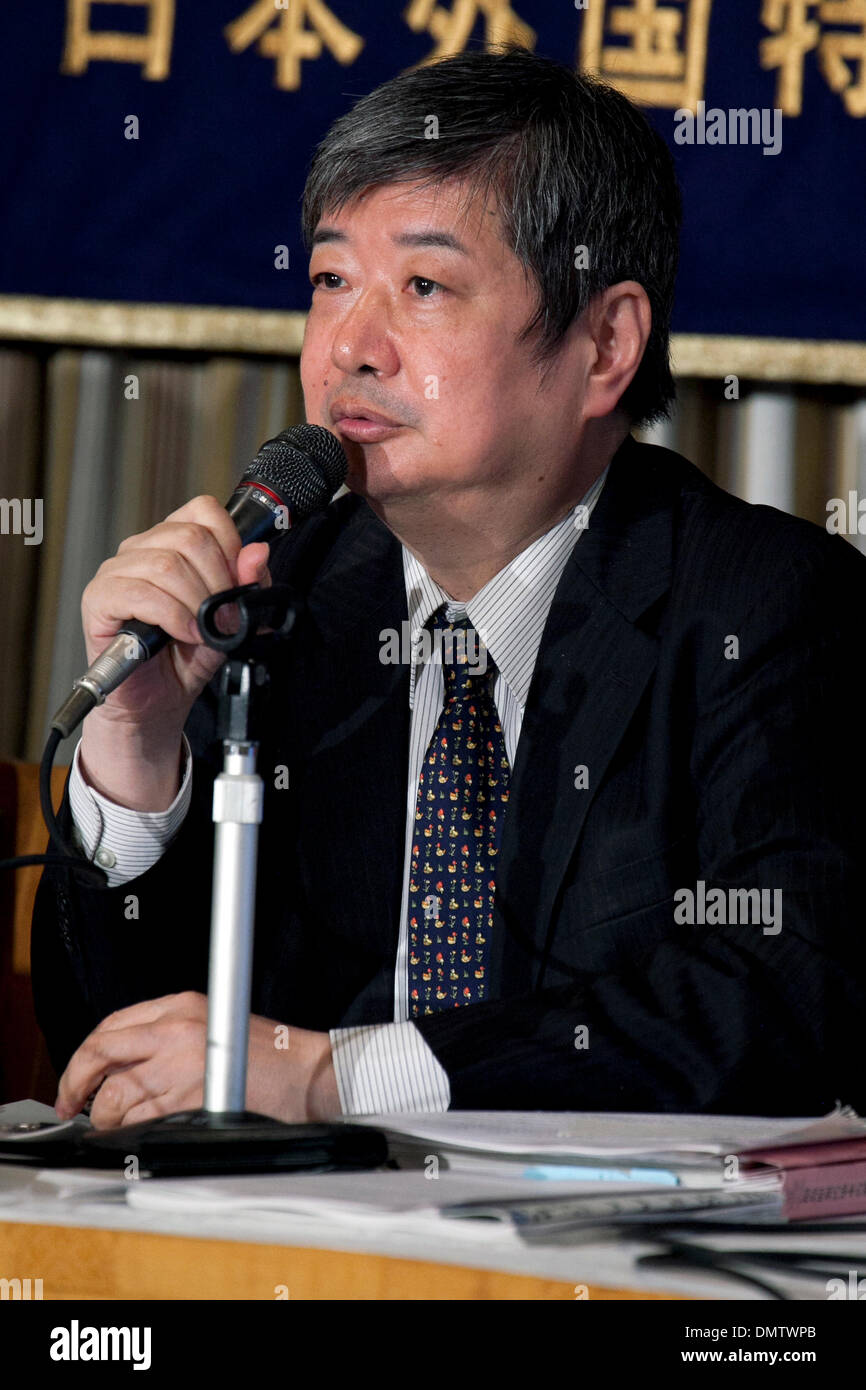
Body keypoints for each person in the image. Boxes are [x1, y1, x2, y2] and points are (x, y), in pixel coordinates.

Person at [32, 47, 866, 1130]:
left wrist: (340, 1075)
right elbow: (109, 1058)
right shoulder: (276, 603)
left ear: (602, 343)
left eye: (423, 286)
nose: (348, 349)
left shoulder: (767, 609)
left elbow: (783, 999)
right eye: (331, 280)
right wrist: (137, 757)